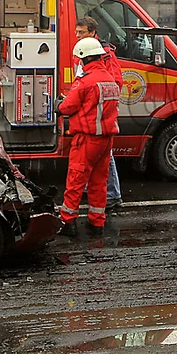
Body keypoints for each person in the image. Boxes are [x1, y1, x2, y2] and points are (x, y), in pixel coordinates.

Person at [56, 37, 120, 236]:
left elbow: (68, 106)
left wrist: (58, 106)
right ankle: (97, 221)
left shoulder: (85, 81)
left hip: (86, 138)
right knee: (99, 182)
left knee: (76, 179)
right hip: (106, 139)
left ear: (84, 58)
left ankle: (68, 221)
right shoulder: (110, 79)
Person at [75, 16, 123, 210]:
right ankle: (95, 188)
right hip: (90, 107)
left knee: (104, 152)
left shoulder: (105, 54)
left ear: (93, 33)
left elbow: (115, 82)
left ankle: (112, 194)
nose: (77, 36)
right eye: (77, 32)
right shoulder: (83, 51)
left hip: (101, 109)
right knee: (93, 152)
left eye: (81, 32)